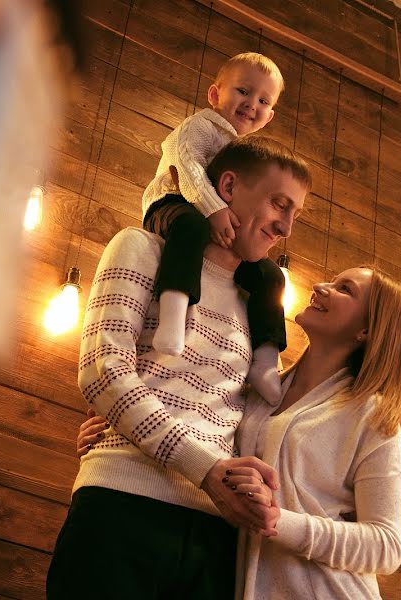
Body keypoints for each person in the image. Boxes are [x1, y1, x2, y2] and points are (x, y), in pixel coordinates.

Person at [46, 136, 311, 600]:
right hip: (121, 505)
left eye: (296, 214)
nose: (286, 227)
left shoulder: (258, 304)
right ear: (227, 186)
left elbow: (252, 417)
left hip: (217, 533)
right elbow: (103, 372)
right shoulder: (141, 248)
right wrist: (207, 470)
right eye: (279, 204)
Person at [77, 266, 401, 599]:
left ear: (366, 331)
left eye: (345, 289)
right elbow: (203, 426)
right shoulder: (259, 392)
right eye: (333, 280)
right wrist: (115, 428)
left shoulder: (373, 416)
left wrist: (278, 522)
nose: (321, 286)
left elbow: (387, 546)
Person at [142, 52, 288, 405]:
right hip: (173, 206)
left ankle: (266, 358)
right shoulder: (200, 127)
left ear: (269, 116)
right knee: (190, 228)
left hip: (218, 224)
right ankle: (173, 316)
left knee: (270, 275)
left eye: (263, 101)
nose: (251, 104)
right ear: (214, 94)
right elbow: (186, 167)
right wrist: (213, 209)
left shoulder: (249, 154)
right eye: (243, 91)